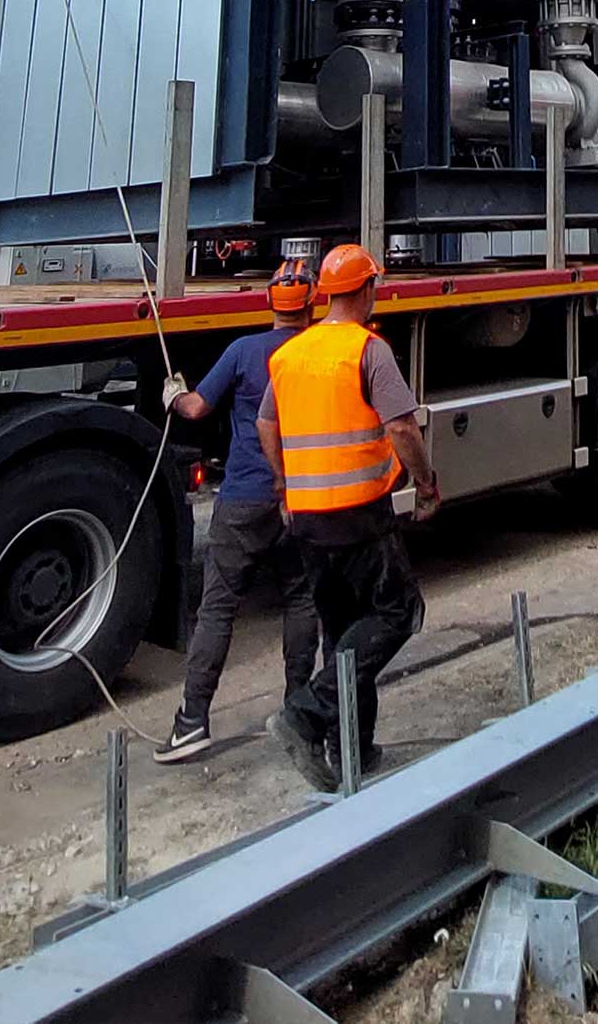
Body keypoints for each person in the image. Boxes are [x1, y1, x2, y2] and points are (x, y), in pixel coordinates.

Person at [258, 242, 440, 789]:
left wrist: (285, 483)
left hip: (309, 518)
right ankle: (306, 715)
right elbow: (403, 428)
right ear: (365, 291)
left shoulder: (291, 353)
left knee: (345, 635)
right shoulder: (369, 350)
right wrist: (427, 483)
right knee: (398, 613)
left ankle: (353, 751)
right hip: (360, 514)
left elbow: (268, 425)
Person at [153, 259, 321, 763]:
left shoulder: (244, 351)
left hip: (245, 495)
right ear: (312, 304)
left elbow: (198, 409)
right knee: (301, 599)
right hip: (302, 496)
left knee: (219, 607)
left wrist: (174, 394)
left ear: (269, 302)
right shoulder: (317, 351)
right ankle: (297, 706)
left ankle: (192, 722)